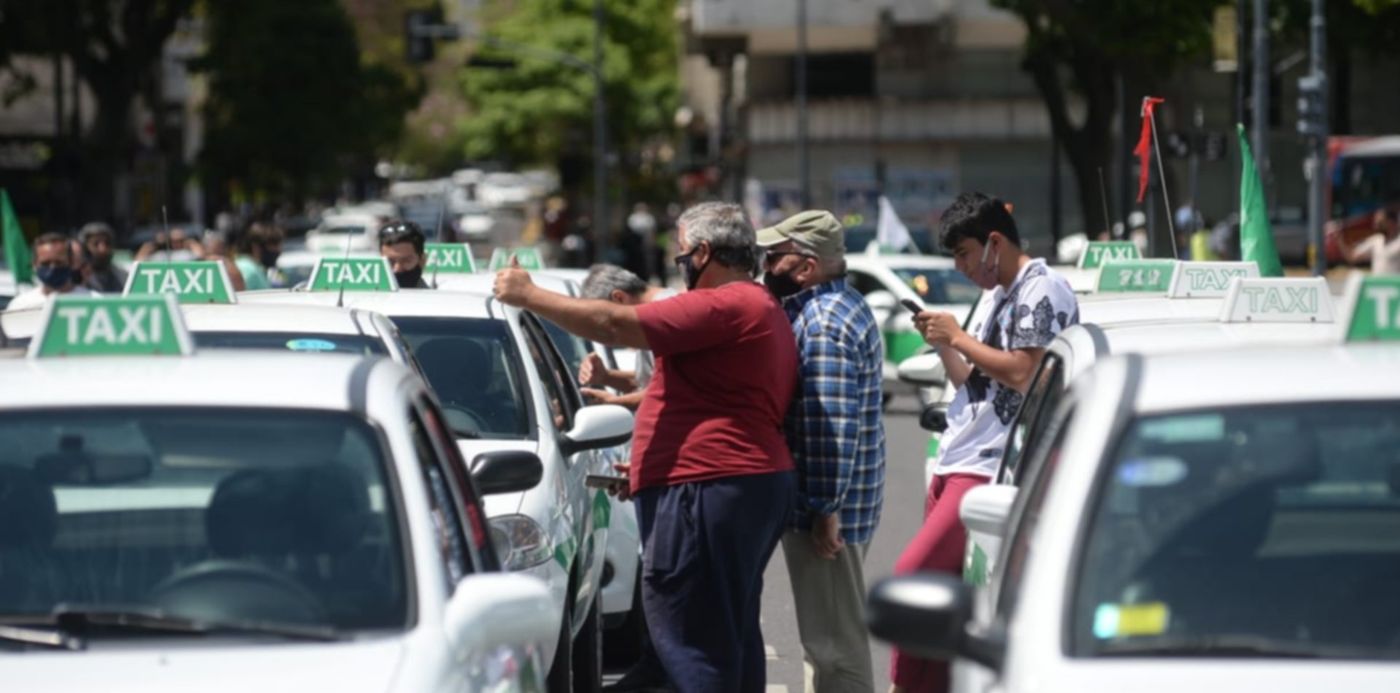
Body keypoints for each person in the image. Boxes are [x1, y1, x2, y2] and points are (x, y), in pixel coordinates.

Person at [493, 201, 797, 693]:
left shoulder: (726, 303)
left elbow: (615, 324)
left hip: (709, 485)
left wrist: (529, 295)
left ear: (703, 252)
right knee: (720, 635)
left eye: (681, 256)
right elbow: (695, 393)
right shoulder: (753, 306)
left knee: (691, 640)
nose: (680, 269)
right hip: (724, 483)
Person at [891, 193, 1078, 693]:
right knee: (940, 603)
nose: (963, 267)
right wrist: (943, 341)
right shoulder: (996, 293)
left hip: (990, 470)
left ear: (994, 242)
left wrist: (956, 336)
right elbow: (971, 382)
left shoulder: (1043, 289)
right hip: (959, 459)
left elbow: (1025, 371)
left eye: (965, 254)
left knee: (911, 587)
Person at [756, 210, 884, 693]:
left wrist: (823, 508)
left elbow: (827, 427)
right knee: (826, 642)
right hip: (839, 502)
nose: (766, 266)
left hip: (829, 510)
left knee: (834, 648)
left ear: (805, 266)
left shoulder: (824, 322)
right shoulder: (839, 304)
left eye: (774, 257)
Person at [577, 264, 672, 411]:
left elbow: (673, 390)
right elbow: (650, 382)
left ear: (619, 298)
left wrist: (616, 402)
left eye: (606, 319)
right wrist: (606, 376)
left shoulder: (666, 316)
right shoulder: (648, 318)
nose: (607, 329)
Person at [6, 233, 97, 311]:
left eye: (59, 263)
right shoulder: (20, 306)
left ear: (72, 263)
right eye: (45, 263)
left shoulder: (94, 302)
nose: (52, 267)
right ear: (34, 265)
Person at [1337, 209, 1400, 275]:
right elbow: (1352, 257)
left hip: (1394, 284)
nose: (1376, 225)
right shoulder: (1376, 241)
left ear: (1391, 222)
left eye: (1380, 222)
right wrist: (1340, 240)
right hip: (1377, 284)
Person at [378, 220, 431, 288]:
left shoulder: (434, 298)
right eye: (390, 261)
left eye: (406, 261)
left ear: (422, 260)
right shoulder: (365, 296)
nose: (397, 269)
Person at [78, 222, 128, 292]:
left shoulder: (123, 276)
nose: (103, 249)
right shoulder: (74, 279)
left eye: (107, 243)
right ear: (84, 248)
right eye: (96, 244)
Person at [234, 223, 284, 290]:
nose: (278, 250)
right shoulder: (247, 269)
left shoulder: (262, 268)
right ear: (256, 247)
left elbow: (279, 290)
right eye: (274, 245)